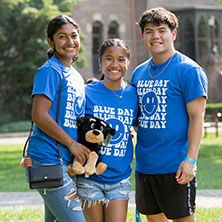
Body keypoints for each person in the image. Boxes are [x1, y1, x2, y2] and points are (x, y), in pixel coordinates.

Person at [131, 7, 208, 222]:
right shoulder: (138, 73)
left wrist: (190, 160)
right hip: (145, 166)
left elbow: (197, 117)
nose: (155, 36)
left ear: (173, 34)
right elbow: (138, 120)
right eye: (149, 31)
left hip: (176, 166)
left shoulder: (189, 71)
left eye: (162, 30)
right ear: (143, 36)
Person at [27, 15, 90, 222]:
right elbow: (39, 115)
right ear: (50, 42)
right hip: (48, 160)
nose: (70, 42)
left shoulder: (76, 76)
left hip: (67, 162)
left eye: (74, 35)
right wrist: (71, 144)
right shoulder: (49, 71)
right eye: (62, 37)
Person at [76, 38, 138, 222]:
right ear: (100, 62)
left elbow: (136, 124)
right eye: (109, 59)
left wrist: (131, 131)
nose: (115, 64)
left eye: (121, 59)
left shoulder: (134, 95)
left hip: (119, 177)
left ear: (128, 63)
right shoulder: (86, 92)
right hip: (89, 177)